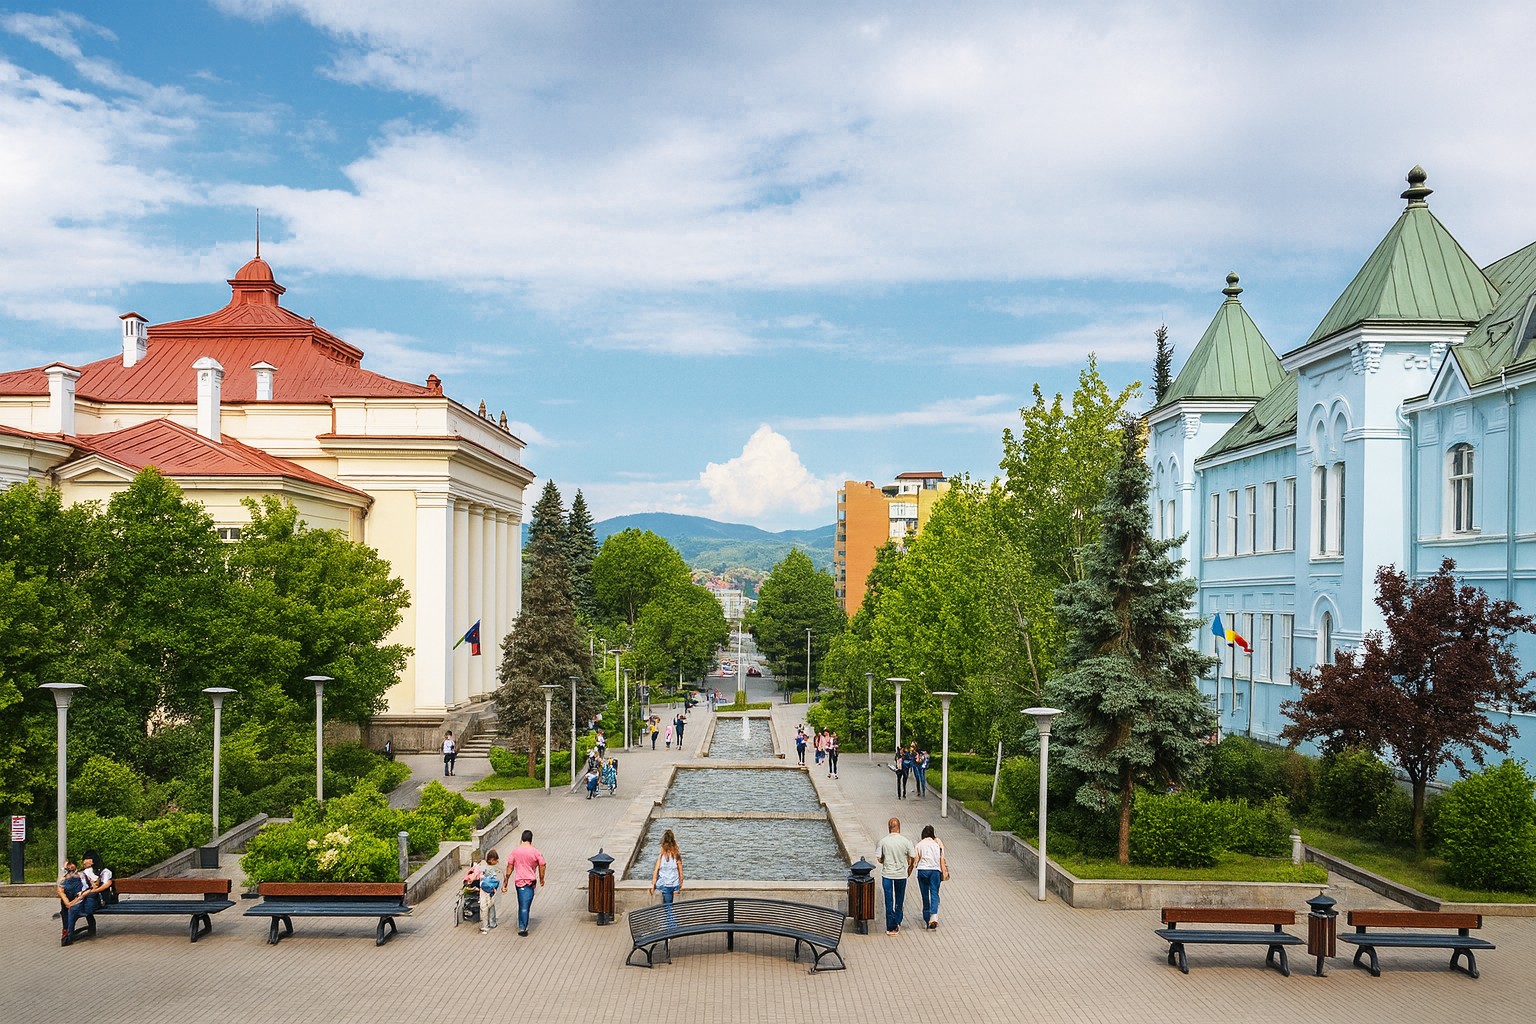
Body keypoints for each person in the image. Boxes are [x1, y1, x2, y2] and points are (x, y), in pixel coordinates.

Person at [874, 818, 916, 935]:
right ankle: (897, 921)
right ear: (899, 827)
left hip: (887, 874)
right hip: (901, 874)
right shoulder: (906, 841)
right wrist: (910, 868)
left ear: (888, 827)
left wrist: (884, 860)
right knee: (899, 899)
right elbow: (913, 856)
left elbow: (878, 858)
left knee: (888, 900)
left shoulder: (883, 842)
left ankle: (890, 926)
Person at [507, 829, 547, 936]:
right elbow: (542, 864)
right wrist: (542, 878)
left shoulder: (515, 851)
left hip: (519, 882)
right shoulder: (535, 852)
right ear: (531, 839)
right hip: (530, 882)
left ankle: (522, 922)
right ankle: (523, 927)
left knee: (522, 903)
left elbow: (509, 867)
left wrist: (506, 880)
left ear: (521, 839)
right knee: (525, 905)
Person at [649, 828, 684, 929]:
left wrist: (653, 883)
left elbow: (657, 868)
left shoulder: (662, 852)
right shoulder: (676, 853)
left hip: (665, 884)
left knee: (667, 906)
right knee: (668, 905)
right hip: (674, 884)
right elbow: (680, 871)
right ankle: (669, 924)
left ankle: (671, 925)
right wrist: (680, 885)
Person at [914, 824, 948, 929]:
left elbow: (916, 860)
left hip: (923, 871)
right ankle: (933, 917)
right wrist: (944, 872)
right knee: (934, 893)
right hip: (935, 871)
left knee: (925, 895)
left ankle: (926, 917)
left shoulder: (919, 845)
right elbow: (941, 859)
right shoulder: (937, 844)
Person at [56, 857, 83, 946]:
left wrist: (73, 902)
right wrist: (67, 902)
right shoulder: (64, 877)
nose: (70, 866)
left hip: (78, 898)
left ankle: (68, 932)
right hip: (67, 899)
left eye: (72, 864)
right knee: (64, 911)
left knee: (71, 911)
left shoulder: (80, 875)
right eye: (68, 865)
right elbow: (60, 890)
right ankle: (65, 929)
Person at [478, 848, 502, 932]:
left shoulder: (483, 868)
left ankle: (485, 924)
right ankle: (492, 923)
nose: (497, 861)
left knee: (484, 907)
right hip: (491, 891)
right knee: (491, 906)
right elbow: (496, 881)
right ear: (491, 860)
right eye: (496, 860)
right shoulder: (493, 869)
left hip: (484, 890)